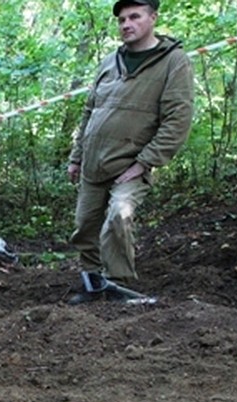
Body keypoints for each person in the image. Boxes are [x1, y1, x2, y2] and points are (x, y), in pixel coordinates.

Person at [65, 0, 194, 302]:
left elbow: (178, 119)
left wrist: (145, 162)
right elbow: (89, 112)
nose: (126, 24)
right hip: (93, 164)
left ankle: (118, 286)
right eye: (122, 19)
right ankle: (93, 284)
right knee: (84, 227)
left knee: (118, 217)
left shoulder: (174, 62)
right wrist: (76, 157)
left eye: (134, 17)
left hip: (130, 166)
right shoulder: (110, 62)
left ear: (153, 18)